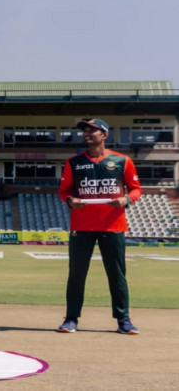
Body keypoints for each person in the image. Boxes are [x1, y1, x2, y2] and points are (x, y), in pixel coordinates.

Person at [57, 118, 142, 335]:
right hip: (82, 225)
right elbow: (64, 191)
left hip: (113, 225)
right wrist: (70, 201)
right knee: (76, 273)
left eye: (92, 131)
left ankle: (123, 320)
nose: (86, 134)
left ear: (104, 135)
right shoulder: (73, 162)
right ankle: (71, 319)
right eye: (84, 131)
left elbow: (136, 189)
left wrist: (126, 200)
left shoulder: (122, 160)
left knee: (116, 274)